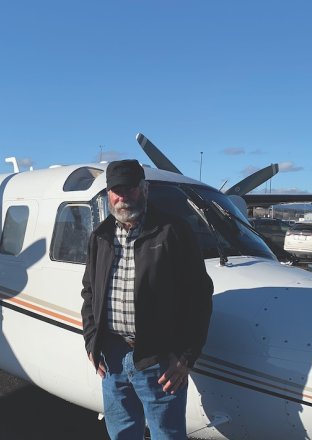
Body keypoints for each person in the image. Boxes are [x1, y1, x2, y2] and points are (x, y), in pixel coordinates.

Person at [81, 159, 213, 439]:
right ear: (108, 194)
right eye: (116, 190)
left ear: (144, 189)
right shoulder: (100, 236)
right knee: (121, 432)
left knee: (167, 433)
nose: (122, 197)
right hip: (112, 356)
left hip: (159, 358)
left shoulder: (173, 231)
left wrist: (186, 357)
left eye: (129, 188)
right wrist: (92, 340)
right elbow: (89, 291)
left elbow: (199, 297)